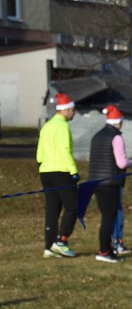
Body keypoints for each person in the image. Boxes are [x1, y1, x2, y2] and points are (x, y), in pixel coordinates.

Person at [88, 105, 132, 263]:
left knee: (105, 217)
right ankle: (104, 251)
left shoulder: (96, 136)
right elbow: (121, 163)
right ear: (119, 122)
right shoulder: (116, 137)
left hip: (96, 182)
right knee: (109, 217)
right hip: (111, 182)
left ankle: (105, 248)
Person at [37, 92, 79, 258]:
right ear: (66, 110)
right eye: (73, 110)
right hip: (61, 170)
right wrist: (74, 171)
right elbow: (64, 150)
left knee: (52, 210)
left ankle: (49, 246)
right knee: (74, 206)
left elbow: (40, 151)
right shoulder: (62, 126)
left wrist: (42, 163)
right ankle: (61, 241)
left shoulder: (47, 126)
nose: (74, 113)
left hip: (45, 170)